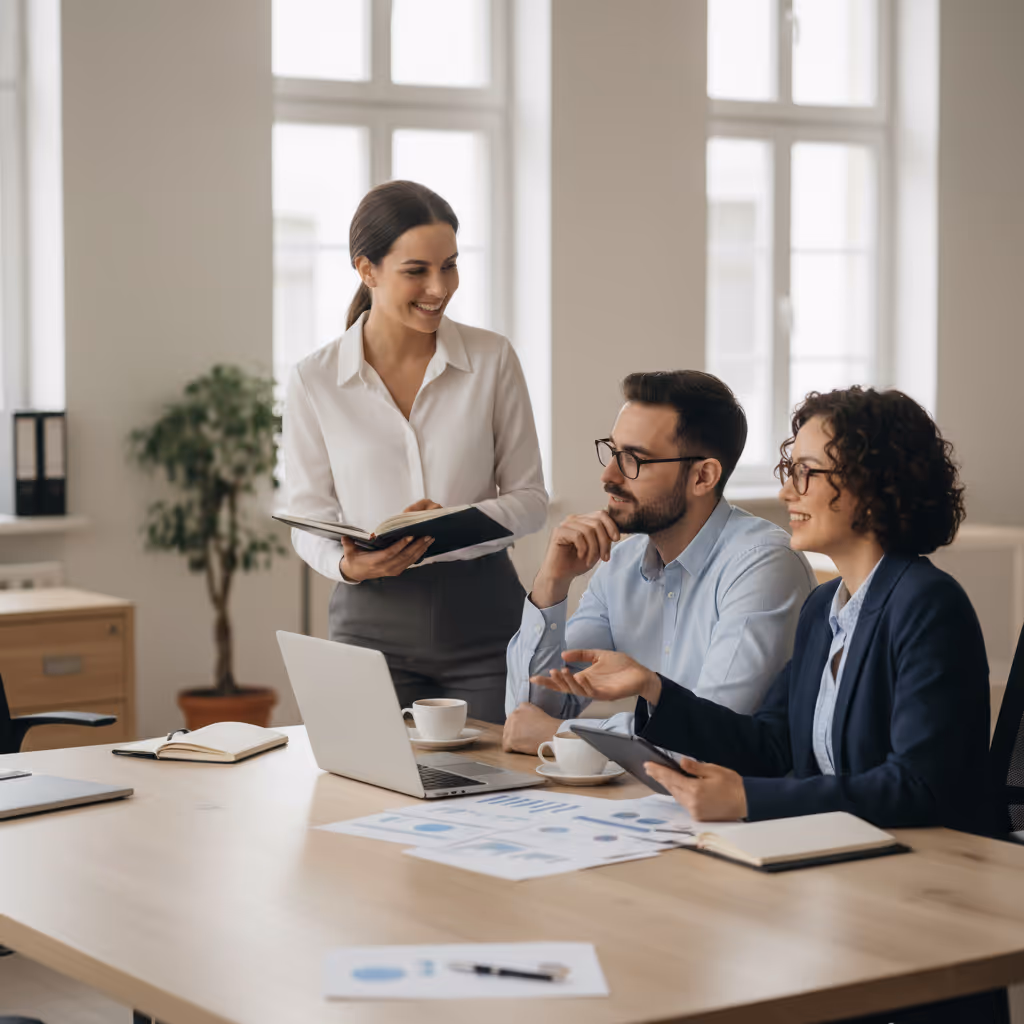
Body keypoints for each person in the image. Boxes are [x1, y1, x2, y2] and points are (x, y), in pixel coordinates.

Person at [533, 386, 991, 836]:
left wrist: (750, 799)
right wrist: (653, 688)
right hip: (838, 852)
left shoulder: (927, 605)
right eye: (790, 469)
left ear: (872, 486)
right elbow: (771, 747)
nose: (787, 491)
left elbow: (920, 786)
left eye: (807, 473)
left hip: (926, 868)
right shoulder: (822, 609)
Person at [283, 180, 547, 723]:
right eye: (416, 270)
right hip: (369, 623)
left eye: (449, 265)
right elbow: (308, 518)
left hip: (486, 620)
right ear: (366, 269)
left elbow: (530, 499)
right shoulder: (315, 379)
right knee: (368, 792)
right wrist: (348, 564)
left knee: (496, 794)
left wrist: (456, 521)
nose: (439, 287)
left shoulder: (492, 358)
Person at [503, 370, 815, 754]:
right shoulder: (620, 562)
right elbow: (527, 715)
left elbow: (710, 735)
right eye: (613, 452)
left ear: (703, 476)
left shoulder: (764, 565)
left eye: (633, 459)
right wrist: (551, 584)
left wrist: (562, 735)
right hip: (643, 798)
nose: (608, 475)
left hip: (734, 806)